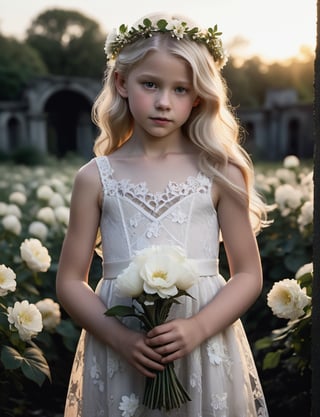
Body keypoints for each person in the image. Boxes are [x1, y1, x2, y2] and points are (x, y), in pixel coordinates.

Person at [56, 11, 269, 417]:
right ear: (121, 82)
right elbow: (69, 281)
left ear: (200, 96)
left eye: (181, 90)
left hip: (204, 346)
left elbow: (248, 274)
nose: (163, 102)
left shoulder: (221, 172)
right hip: (120, 350)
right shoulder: (94, 178)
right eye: (149, 84)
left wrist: (197, 328)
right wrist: (120, 338)